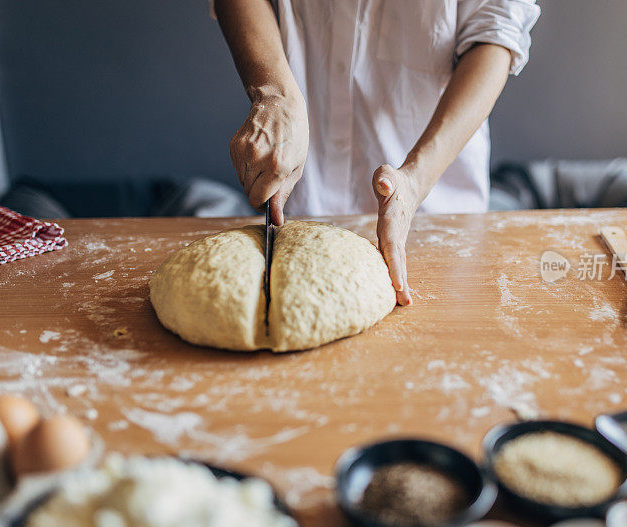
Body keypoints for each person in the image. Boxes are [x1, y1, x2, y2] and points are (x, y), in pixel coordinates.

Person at [212, 0, 540, 306]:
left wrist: (414, 180)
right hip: (299, 200)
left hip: (437, 217)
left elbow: (498, 29)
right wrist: (274, 93)